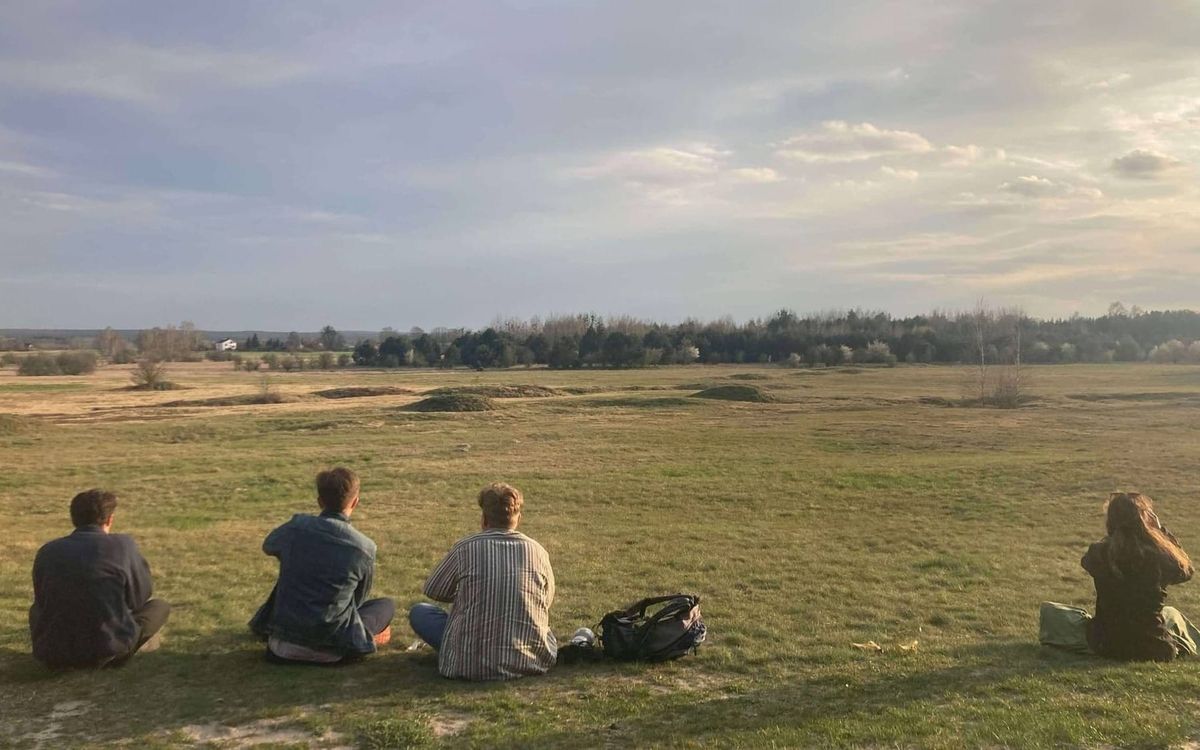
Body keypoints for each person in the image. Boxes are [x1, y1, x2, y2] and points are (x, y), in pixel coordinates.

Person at [409, 482, 556, 680]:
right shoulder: (538, 551)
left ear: (484, 519)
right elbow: (545, 601)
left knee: (420, 612)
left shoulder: (465, 548)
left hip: (468, 664)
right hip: (528, 661)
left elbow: (434, 589)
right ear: (518, 518)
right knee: (545, 631)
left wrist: (468, 594)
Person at [249, 467, 394, 664]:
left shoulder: (297, 528)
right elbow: (358, 599)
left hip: (281, 646)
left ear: (320, 501)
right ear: (355, 502)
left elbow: (269, 545)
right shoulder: (364, 548)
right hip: (334, 649)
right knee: (385, 606)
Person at [30, 489, 170, 669]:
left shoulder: (48, 551)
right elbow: (140, 596)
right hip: (107, 650)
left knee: (37, 609)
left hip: (53, 654)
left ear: (74, 518)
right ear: (109, 519)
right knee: (159, 607)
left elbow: (41, 600)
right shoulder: (122, 546)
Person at [1079, 492, 1198, 661]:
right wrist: (1160, 532)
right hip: (1155, 647)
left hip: (1107, 646)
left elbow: (1087, 561)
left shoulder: (1098, 552)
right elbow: (1186, 571)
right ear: (1144, 520)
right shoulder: (1158, 555)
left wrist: (1113, 535)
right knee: (1172, 614)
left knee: (1063, 615)